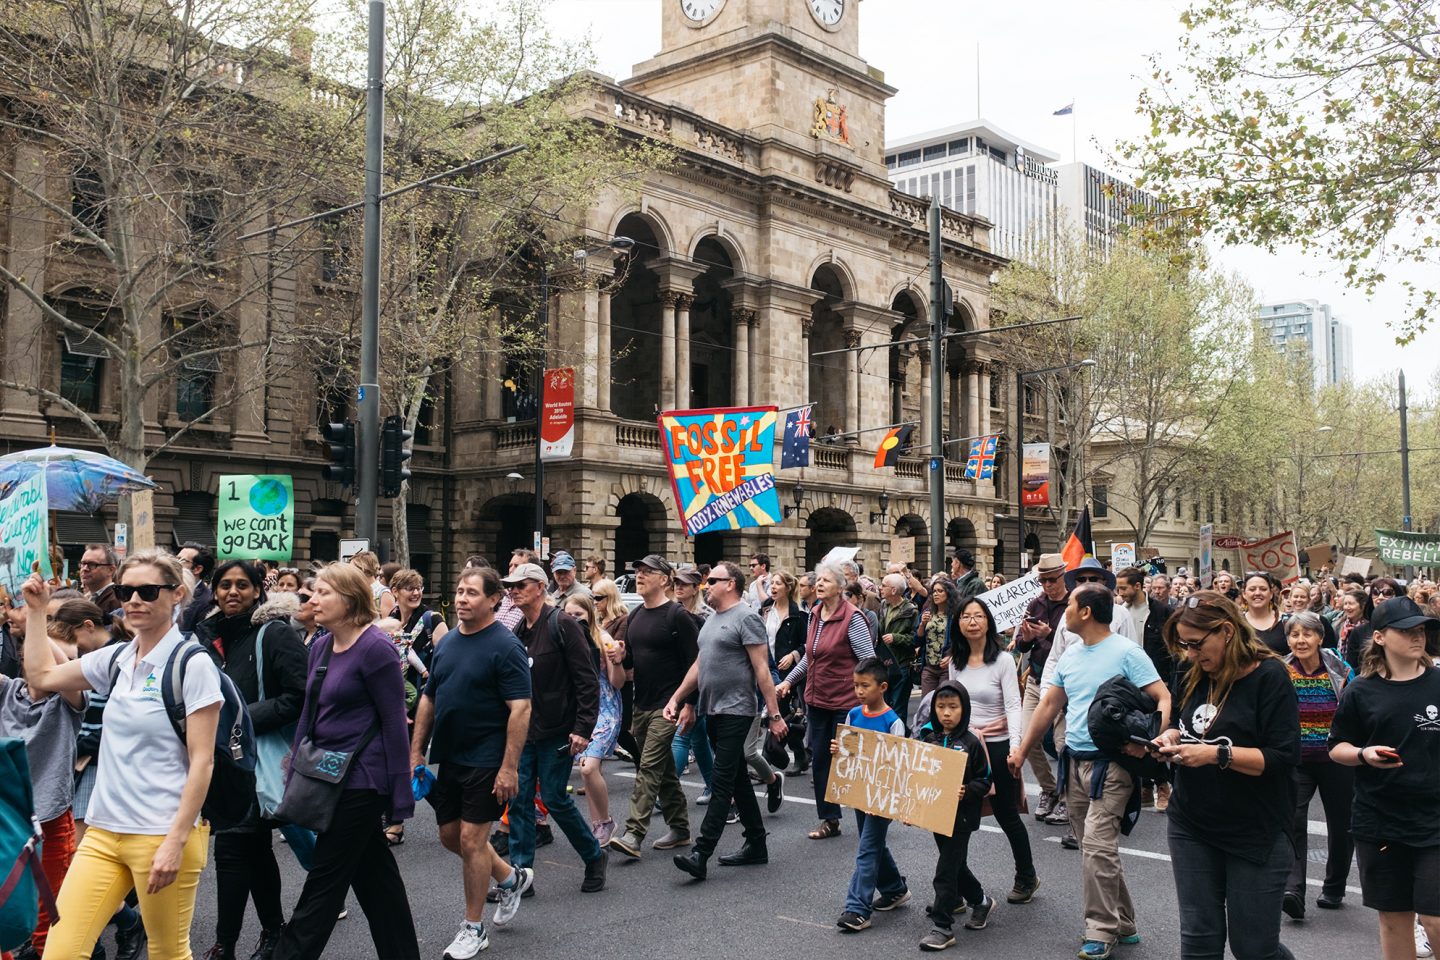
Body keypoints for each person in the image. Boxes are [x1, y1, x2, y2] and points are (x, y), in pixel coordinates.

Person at [22, 553, 221, 960]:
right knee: (60, 951)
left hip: (161, 833)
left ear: (177, 595)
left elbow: (203, 761)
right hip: (102, 832)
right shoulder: (116, 658)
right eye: (125, 591)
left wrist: (175, 841)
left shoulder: (191, 663)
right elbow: (41, 678)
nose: (134, 600)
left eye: (148, 591)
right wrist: (38, 612)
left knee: (167, 952)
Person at [1008, 584, 1170, 960]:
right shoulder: (1071, 654)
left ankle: (1100, 930)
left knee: (1097, 847)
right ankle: (1125, 921)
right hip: (1073, 763)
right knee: (1095, 849)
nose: (1063, 609)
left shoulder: (1127, 653)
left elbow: (1163, 697)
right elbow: (1049, 705)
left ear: (1086, 613)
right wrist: (1022, 751)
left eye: (1070, 604)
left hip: (1111, 765)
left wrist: (1147, 743)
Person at [273, 562, 419, 960]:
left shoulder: (376, 649)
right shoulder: (320, 644)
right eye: (312, 592)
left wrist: (399, 799)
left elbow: (394, 723)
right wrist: (293, 769)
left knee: (324, 882)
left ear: (350, 599)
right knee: (377, 881)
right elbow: (310, 712)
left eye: (322, 592)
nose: (311, 598)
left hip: (361, 782)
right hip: (323, 774)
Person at [1153, 590, 1300, 960]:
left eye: (1196, 644)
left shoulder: (1271, 676)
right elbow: (1185, 724)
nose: (1190, 654)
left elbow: (1282, 757)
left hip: (1256, 828)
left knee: (1253, 947)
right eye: (1183, 645)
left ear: (1227, 631)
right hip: (1191, 823)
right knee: (1199, 940)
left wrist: (1216, 754)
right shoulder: (1192, 669)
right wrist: (1171, 735)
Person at [410, 566, 533, 960]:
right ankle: (511, 878)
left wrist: (509, 767)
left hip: (488, 758)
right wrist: (417, 752)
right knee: (449, 836)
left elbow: (520, 708)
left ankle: (473, 927)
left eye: (472, 593)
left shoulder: (506, 646)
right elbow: (428, 698)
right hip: (450, 756)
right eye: (459, 591)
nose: (462, 599)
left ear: (494, 599)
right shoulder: (446, 643)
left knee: (471, 840)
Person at [193, 561, 308, 960]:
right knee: (254, 850)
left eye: (242, 585)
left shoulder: (275, 634)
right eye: (224, 585)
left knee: (231, 849)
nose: (232, 592)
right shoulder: (206, 637)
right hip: (222, 762)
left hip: (254, 759)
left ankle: (226, 944)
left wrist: (238, 719)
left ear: (259, 591)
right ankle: (274, 931)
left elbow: (299, 697)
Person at [1327, 596, 1440, 960]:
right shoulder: (1361, 689)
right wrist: (1363, 754)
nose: (1417, 637)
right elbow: (1336, 747)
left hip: (1435, 820)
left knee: (1436, 920)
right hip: (1379, 820)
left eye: (1421, 630)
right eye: (1406, 630)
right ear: (1378, 637)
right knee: (1395, 919)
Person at [666, 562, 787, 880]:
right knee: (737, 780)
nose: (706, 586)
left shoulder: (747, 617)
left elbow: (762, 670)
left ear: (731, 584)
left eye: (713, 581)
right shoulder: (710, 621)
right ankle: (757, 845)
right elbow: (699, 664)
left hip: (738, 710)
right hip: (713, 710)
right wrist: (677, 698)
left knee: (721, 783)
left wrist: (774, 715)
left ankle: (700, 853)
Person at [499, 562, 607, 893]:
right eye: (511, 585)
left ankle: (593, 856)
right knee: (518, 799)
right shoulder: (518, 630)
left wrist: (583, 727)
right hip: (525, 730)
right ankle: (521, 874)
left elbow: (587, 680)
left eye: (521, 584)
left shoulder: (562, 623)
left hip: (559, 729)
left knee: (555, 798)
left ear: (540, 588)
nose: (513, 590)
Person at [3, 594, 87, 960]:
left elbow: (61, 670)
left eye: (58, 662)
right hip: (7, 821)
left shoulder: (69, 702)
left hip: (51, 825)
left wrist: (36, 615)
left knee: (47, 924)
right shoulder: (6, 691)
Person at [609, 555, 699, 859]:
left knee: (648, 767)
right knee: (663, 770)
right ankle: (680, 829)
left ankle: (633, 833)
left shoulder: (677, 616)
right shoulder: (635, 617)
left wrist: (689, 704)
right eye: (638, 571)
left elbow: (696, 663)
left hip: (668, 706)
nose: (640, 575)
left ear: (665, 579)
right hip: (642, 705)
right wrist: (620, 658)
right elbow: (632, 664)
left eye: (648, 571)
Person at [776, 563, 875, 840]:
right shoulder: (814, 615)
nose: (819, 584)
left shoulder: (852, 618)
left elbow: (868, 661)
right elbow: (810, 656)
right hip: (817, 700)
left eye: (826, 581)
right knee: (820, 760)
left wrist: (867, 698)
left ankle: (869, 821)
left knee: (849, 762)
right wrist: (788, 681)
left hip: (847, 703)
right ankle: (830, 820)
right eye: (817, 580)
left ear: (841, 587)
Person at [948, 597, 1037, 905]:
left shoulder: (1002, 660)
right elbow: (950, 706)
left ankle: (1026, 877)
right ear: (958, 623)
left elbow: (1014, 706)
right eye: (965, 616)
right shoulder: (954, 662)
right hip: (965, 748)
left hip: (997, 745)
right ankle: (958, 885)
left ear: (988, 622)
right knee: (957, 818)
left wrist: (1016, 748)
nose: (972, 621)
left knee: (1006, 814)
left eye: (978, 616)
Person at [819, 657, 909, 931]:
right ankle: (894, 889)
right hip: (860, 792)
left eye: (864, 686)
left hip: (880, 798)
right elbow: (849, 754)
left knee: (867, 847)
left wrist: (885, 797)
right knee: (873, 844)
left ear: (882, 687)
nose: (858, 691)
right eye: (856, 685)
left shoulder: (893, 722)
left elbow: (898, 765)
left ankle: (858, 909)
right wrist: (839, 750)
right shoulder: (853, 715)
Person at [1280, 610, 1354, 918]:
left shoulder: (1341, 669)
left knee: (1342, 825)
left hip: (1337, 758)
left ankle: (1334, 887)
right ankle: (1294, 890)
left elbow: (1355, 711)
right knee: (1292, 820)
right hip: (1298, 760)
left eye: (1307, 634)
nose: (1300, 640)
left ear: (1320, 637)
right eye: (1294, 635)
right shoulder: (1281, 670)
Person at [916, 680, 994, 951]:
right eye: (940, 707)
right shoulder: (929, 739)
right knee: (956, 865)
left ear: (965, 709)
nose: (946, 713)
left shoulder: (972, 742)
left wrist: (967, 790)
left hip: (962, 818)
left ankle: (942, 926)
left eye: (952, 707)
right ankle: (981, 901)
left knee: (946, 870)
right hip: (938, 815)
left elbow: (985, 780)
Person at [566, 593, 627, 845]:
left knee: (589, 766)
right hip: (581, 709)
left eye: (578, 615)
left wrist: (617, 661)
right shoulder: (565, 639)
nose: (572, 620)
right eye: (568, 615)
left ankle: (606, 822)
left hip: (605, 707)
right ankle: (597, 825)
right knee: (586, 769)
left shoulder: (603, 638)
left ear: (589, 614)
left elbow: (617, 682)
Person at [1015, 554, 1070, 822]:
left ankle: (1069, 797)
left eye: (1052, 579)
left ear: (1063, 576)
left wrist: (1048, 635)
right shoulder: (1034, 604)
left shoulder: (1075, 605)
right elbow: (1021, 646)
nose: (1047, 585)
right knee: (1027, 738)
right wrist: (1025, 639)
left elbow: (1075, 646)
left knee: (1063, 744)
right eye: (1043, 580)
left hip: (1064, 685)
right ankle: (1050, 789)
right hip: (1036, 680)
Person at [1116, 567, 1175, 810]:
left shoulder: (1162, 612)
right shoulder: (1119, 613)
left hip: (1156, 680)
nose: (1119, 592)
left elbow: (1172, 649)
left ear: (1138, 586)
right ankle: (1144, 786)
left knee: (1154, 731)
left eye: (1123, 588)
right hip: (1129, 683)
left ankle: (1162, 784)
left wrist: (1169, 682)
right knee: (1135, 731)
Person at [877, 573, 918, 718]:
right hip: (885, 663)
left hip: (901, 664)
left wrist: (896, 638)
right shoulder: (883, 606)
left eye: (883, 586)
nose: (880, 588)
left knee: (898, 707)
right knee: (884, 704)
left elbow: (915, 639)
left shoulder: (911, 611)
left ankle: (898, 737)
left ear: (894, 590)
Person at [916, 576, 959, 701]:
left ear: (949, 593)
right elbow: (917, 640)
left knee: (943, 702)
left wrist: (951, 656)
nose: (936, 594)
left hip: (946, 667)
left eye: (940, 591)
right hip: (929, 667)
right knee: (927, 705)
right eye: (934, 591)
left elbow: (961, 641)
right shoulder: (928, 613)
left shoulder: (955, 615)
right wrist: (922, 625)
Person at [1243, 571, 1288, 655]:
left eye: (1263, 589)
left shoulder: (1287, 621)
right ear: (1244, 594)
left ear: (1271, 594)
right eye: (1252, 589)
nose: (1257, 593)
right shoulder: (1236, 622)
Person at [177, 543, 216, 636]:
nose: (175, 564)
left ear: (197, 569)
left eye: (181, 560)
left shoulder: (207, 603)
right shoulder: (167, 592)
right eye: (176, 558)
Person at [348, 550, 397, 619]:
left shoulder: (384, 593)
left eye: (352, 569)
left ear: (364, 568)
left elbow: (389, 625)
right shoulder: (355, 591)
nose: (349, 573)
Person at [81, 543, 121, 622]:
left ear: (110, 570)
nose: (85, 569)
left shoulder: (116, 600)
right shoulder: (86, 598)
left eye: (92, 564)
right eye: (83, 563)